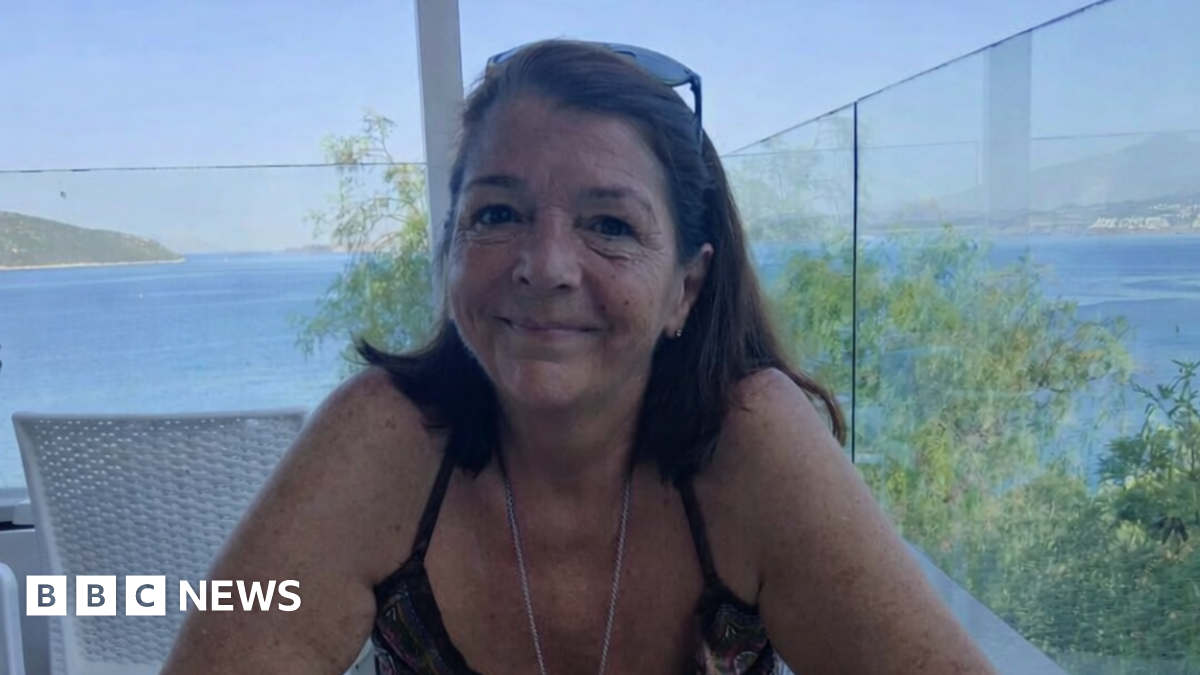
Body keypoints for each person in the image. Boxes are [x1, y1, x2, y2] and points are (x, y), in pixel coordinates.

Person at [162, 40, 996, 675]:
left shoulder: (752, 438)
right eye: (496, 214)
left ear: (686, 287)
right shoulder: (381, 435)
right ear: (451, 248)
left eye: (610, 225)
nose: (545, 265)